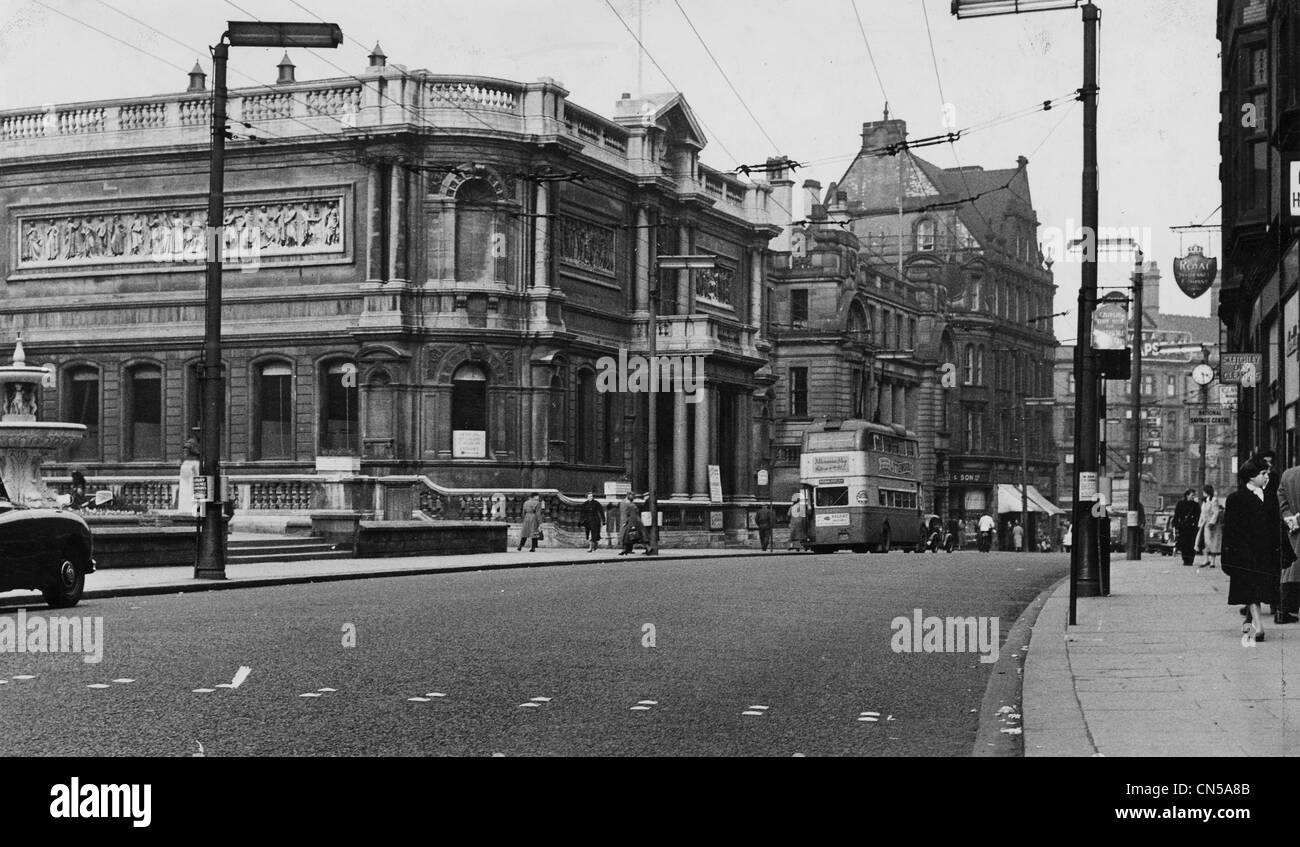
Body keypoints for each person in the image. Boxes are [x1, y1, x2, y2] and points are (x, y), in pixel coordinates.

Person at [1222, 458, 1280, 642]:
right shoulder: (1236, 499)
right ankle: (1259, 627)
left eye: (1267, 473)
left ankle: (1249, 618)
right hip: (1244, 553)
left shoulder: (1270, 497)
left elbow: (1274, 525)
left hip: (1265, 552)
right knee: (1252, 589)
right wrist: (1228, 555)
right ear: (1250, 477)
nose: (1266, 477)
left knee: (1258, 589)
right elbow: (1230, 530)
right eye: (1263, 474)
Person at [1278, 462, 1300, 624]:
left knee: (1291, 570)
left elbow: (1281, 500)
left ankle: (1283, 610)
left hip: (1292, 530)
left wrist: (1290, 518)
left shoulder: (1288, 474)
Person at [1195, 484, 1223, 571]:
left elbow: (1216, 512)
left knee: (1212, 542)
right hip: (1205, 524)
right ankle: (1206, 559)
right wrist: (1200, 523)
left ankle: (1212, 561)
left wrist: (1212, 522)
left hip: (1212, 525)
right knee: (1204, 542)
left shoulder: (1214, 500)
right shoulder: (1204, 501)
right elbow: (1202, 513)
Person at [1172, 488, 1201, 567]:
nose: (1193, 497)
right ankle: (1185, 559)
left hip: (1192, 527)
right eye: (1192, 495)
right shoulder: (1180, 504)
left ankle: (1190, 560)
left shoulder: (1195, 505)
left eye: (1194, 495)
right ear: (1187, 495)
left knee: (1191, 544)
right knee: (1184, 544)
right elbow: (1176, 515)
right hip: (1183, 527)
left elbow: (1198, 516)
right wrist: (1176, 524)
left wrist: (1196, 524)